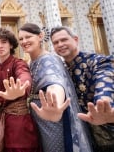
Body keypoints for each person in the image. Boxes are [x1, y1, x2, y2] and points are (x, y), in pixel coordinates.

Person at [18, 23, 93, 152]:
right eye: (21, 39)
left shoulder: (48, 59)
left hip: (53, 121)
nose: (24, 41)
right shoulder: (30, 62)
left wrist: (55, 104)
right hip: (40, 118)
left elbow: (54, 83)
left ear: (40, 36)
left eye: (28, 37)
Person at [50, 26, 114, 151]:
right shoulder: (61, 69)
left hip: (108, 134)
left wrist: (102, 106)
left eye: (64, 40)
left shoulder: (98, 62)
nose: (60, 44)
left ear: (75, 39)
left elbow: (105, 82)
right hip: (83, 138)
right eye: (56, 42)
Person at [0, 27, 41, 152]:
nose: (0, 46)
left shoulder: (18, 63)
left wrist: (20, 88)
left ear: (11, 45)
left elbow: (25, 77)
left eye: (4, 42)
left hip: (19, 121)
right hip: (0, 119)